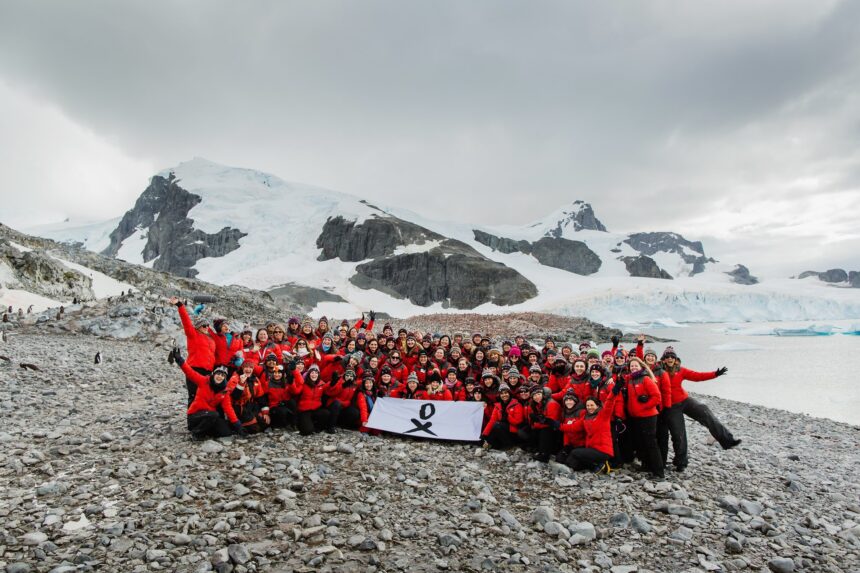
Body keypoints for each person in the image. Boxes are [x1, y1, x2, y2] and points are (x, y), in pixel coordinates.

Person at [661, 347, 738, 471]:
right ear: (663, 360)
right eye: (667, 357)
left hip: (685, 400)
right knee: (678, 434)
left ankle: (728, 440)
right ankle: (681, 462)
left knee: (706, 413)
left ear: (675, 359)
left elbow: (698, 376)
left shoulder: (681, 370)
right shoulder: (659, 371)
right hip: (671, 407)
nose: (670, 359)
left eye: (672, 357)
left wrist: (715, 374)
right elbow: (644, 362)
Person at [171, 348, 243, 439]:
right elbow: (190, 372)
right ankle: (196, 433)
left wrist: (237, 424)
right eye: (218, 374)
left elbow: (228, 408)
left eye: (222, 375)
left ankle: (206, 431)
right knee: (214, 415)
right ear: (214, 374)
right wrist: (179, 360)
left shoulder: (224, 391)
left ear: (224, 378)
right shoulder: (204, 381)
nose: (219, 377)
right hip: (195, 415)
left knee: (226, 432)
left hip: (209, 416)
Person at [563, 382, 623, 473]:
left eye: (592, 405)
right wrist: (557, 425)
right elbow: (573, 427)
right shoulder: (586, 417)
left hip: (603, 450)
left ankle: (602, 463)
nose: (589, 407)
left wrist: (614, 391)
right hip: (592, 449)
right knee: (571, 463)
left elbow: (609, 402)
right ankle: (599, 465)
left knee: (575, 453)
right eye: (587, 406)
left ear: (597, 406)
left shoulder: (603, 415)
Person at [622, 357, 664, 479]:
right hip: (636, 417)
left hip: (648, 416)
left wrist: (644, 406)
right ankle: (646, 465)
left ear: (641, 366)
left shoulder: (646, 379)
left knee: (651, 443)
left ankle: (659, 472)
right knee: (642, 442)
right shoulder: (630, 380)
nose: (633, 367)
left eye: (636, 365)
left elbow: (657, 397)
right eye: (631, 366)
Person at [170, 296, 215, 405]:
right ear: (198, 327)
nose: (206, 327)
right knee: (194, 396)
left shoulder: (211, 339)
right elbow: (186, 321)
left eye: (207, 325)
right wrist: (180, 305)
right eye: (203, 325)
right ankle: (192, 419)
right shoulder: (193, 334)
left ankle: (203, 418)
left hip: (209, 372)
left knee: (207, 396)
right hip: (195, 369)